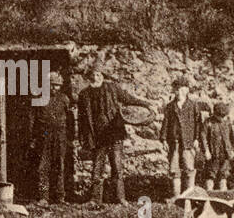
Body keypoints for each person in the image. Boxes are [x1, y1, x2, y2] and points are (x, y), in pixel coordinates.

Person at [76, 67, 149, 205]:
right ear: (88, 77)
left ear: (102, 76)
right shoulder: (84, 94)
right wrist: (83, 137)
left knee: (117, 167)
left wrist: (146, 103)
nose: (95, 78)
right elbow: (81, 119)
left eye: (98, 75)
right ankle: (95, 199)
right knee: (97, 168)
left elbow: (128, 99)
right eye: (92, 75)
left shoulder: (113, 88)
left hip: (114, 134)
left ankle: (120, 198)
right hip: (97, 137)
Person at [30, 70, 74, 203]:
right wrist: (32, 137)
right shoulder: (39, 99)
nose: (54, 88)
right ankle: (44, 197)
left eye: (57, 85)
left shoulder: (65, 99)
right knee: (43, 167)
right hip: (44, 135)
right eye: (52, 85)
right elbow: (32, 120)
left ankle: (60, 197)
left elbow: (70, 120)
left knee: (60, 166)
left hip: (60, 136)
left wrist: (70, 139)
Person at [161, 76, 201, 200]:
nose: (177, 92)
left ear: (186, 90)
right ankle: (176, 197)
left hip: (188, 142)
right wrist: (163, 139)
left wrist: (196, 138)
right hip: (174, 142)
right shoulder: (170, 106)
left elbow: (198, 123)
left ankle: (190, 196)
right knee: (174, 169)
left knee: (189, 168)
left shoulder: (193, 106)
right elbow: (165, 123)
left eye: (179, 89)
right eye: (175, 89)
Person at [200, 99, 234, 191]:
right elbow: (203, 138)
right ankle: (209, 196)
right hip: (213, 154)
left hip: (225, 154)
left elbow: (231, 138)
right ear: (215, 114)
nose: (222, 118)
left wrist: (232, 150)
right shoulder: (208, 122)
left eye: (223, 116)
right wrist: (206, 151)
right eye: (220, 116)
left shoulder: (227, 123)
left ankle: (223, 196)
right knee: (210, 175)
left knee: (223, 176)